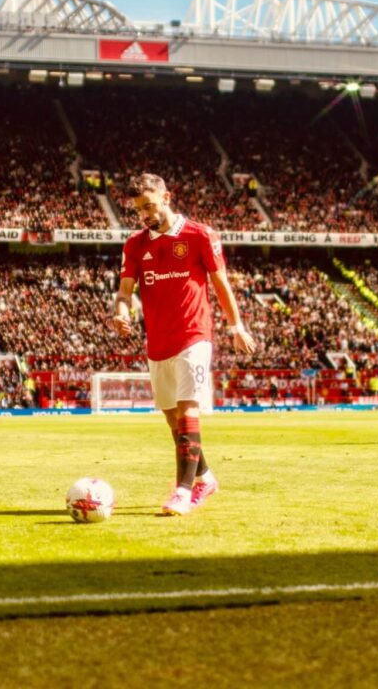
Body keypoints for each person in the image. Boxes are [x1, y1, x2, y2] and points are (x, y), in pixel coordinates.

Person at [109, 172, 257, 516]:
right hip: (157, 341)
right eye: (138, 209)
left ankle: (183, 490)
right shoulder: (134, 244)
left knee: (189, 408)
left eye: (149, 205)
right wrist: (121, 312)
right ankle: (205, 477)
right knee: (173, 419)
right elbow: (124, 291)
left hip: (194, 335)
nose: (144, 214)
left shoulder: (200, 234)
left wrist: (236, 326)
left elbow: (221, 284)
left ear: (167, 197)